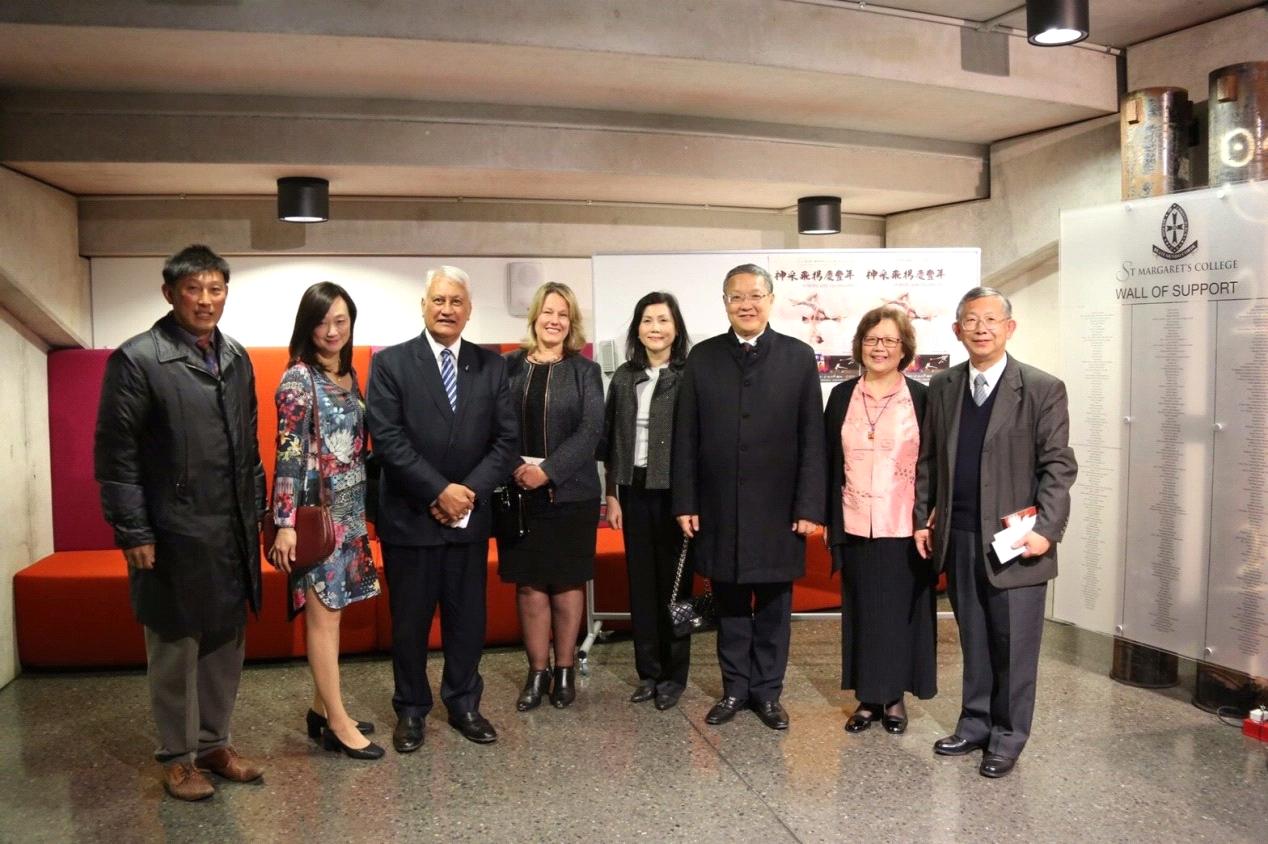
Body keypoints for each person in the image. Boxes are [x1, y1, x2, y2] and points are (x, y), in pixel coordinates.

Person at [94, 244, 266, 801]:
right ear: (170, 293)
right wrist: (134, 532)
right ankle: (177, 757)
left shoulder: (236, 358)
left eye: (215, 289)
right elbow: (115, 456)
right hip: (172, 531)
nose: (206, 300)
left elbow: (250, 452)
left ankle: (215, 743)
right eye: (194, 289)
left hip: (229, 528)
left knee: (224, 642)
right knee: (175, 646)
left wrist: (258, 517)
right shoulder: (138, 359)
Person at [914, 286, 1077, 778]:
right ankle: (975, 723)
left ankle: (1008, 736)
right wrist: (925, 517)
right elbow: (928, 461)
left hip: (1017, 541)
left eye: (991, 320)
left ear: (1010, 328)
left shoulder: (1042, 387)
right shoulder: (942, 386)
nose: (980, 328)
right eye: (971, 320)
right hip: (958, 536)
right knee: (975, 640)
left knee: (1015, 645)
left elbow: (1058, 467)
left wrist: (1048, 529)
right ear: (956, 330)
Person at [366, 266, 517, 752]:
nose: (447, 309)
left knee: (466, 617)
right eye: (438, 300)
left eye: (456, 302)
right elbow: (387, 439)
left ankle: (463, 703)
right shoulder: (391, 364)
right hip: (410, 517)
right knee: (409, 621)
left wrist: (465, 493)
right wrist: (438, 492)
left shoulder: (492, 366)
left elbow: (506, 441)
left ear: (468, 311)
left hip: (469, 518)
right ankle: (411, 710)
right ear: (424, 305)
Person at [672, 263, 826, 730]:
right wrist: (686, 501)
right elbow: (686, 436)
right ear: (725, 303)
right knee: (732, 605)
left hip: (780, 511)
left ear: (771, 300)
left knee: (776, 607)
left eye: (755, 296)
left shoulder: (798, 357)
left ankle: (768, 694)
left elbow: (812, 438)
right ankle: (735, 689)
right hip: (719, 508)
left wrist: (809, 506)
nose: (747, 304)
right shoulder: (703, 357)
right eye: (736, 296)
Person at [268, 282, 383, 759]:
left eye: (340, 319)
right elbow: (289, 454)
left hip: (350, 515)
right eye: (321, 321)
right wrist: (284, 522)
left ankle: (321, 708)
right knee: (324, 619)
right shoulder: (299, 379)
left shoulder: (347, 376)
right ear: (306, 325)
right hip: (317, 519)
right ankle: (337, 723)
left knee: (334, 613)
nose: (332, 330)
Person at [824, 307, 935, 736]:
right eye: (872, 340)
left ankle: (894, 698)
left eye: (889, 341)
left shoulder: (922, 398)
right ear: (860, 345)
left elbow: (933, 464)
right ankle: (867, 698)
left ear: (904, 348)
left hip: (905, 524)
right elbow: (827, 457)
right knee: (861, 611)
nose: (880, 348)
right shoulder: (841, 396)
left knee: (899, 613)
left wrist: (929, 516)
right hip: (853, 522)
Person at [499, 282, 605, 711]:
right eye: (547, 311)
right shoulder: (506, 367)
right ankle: (536, 671)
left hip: (571, 493)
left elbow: (590, 430)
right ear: (535, 318)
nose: (554, 320)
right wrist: (518, 470)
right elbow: (494, 426)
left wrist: (547, 471)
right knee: (529, 585)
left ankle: (564, 671)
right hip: (517, 491)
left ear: (571, 322)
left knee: (565, 582)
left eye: (563, 313)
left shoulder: (585, 371)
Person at [600, 292, 692, 711]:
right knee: (642, 585)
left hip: (677, 495)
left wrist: (693, 501)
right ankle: (648, 672)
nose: (655, 328)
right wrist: (612, 495)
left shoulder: (690, 375)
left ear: (676, 328)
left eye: (663, 320)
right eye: (647, 320)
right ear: (637, 328)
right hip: (633, 492)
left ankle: (675, 675)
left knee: (676, 587)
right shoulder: (623, 377)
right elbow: (611, 441)